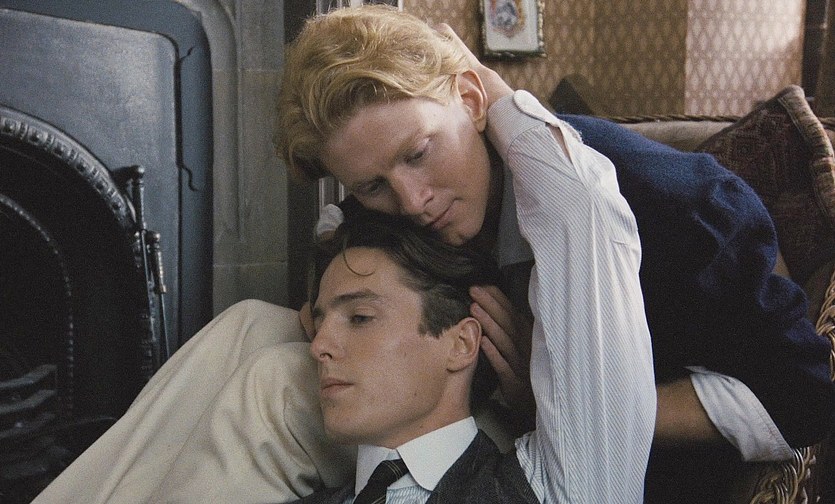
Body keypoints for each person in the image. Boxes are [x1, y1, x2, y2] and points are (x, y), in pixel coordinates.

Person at [33, 4, 833, 503]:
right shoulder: (390, 198)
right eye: (372, 185)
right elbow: (348, 247)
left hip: (590, 452)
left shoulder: (674, 206)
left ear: (472, 98)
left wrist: (562, 392)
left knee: (278, 388)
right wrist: (338, 303)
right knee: (247, 326)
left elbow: (796, 403)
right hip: (472, 390)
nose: (412, 202)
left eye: (419, 153)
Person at [291, 208, 645, 503]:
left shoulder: (543, 488)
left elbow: (584, 205)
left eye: (360, 317)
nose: (318, 346)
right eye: (320, 324)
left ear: (461, 343)